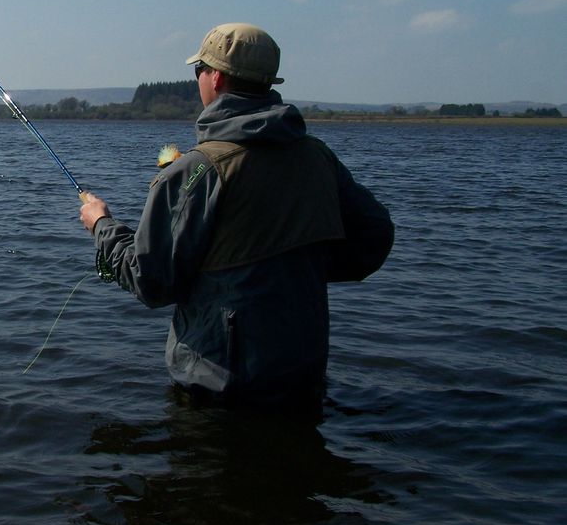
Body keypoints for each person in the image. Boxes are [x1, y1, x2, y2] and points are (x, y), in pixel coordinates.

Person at [79, 23, 394, 407]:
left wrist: (101, 225)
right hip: (303, 372)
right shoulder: (317, 157)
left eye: (199, 71)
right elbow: (374, 236)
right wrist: (296, 272)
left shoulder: (198, 170)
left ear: (217, 77)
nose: (198, 80)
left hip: (221, 387)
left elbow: (152, 282)